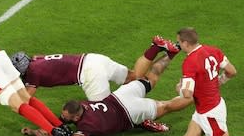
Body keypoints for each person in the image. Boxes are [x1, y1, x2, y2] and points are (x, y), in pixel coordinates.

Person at [22, 52, 177, 136]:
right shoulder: (83, 105)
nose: (62, 120)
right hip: (116, 91)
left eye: (66, 118)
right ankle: (170, 53)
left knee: (166, 106)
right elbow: (59, 124)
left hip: (129, 111)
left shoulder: (87, 125)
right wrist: (36, 131)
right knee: (146, 78)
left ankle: (144, 121)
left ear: (76, 118)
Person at [10, 36, 180, 101]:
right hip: (94, 59)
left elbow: (25, 98)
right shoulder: (37, 59)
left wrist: (4, 94)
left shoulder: (33, 73)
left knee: (110, 110)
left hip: (90, 75)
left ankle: (143, 119)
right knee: (133, 77)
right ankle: (155, 47)